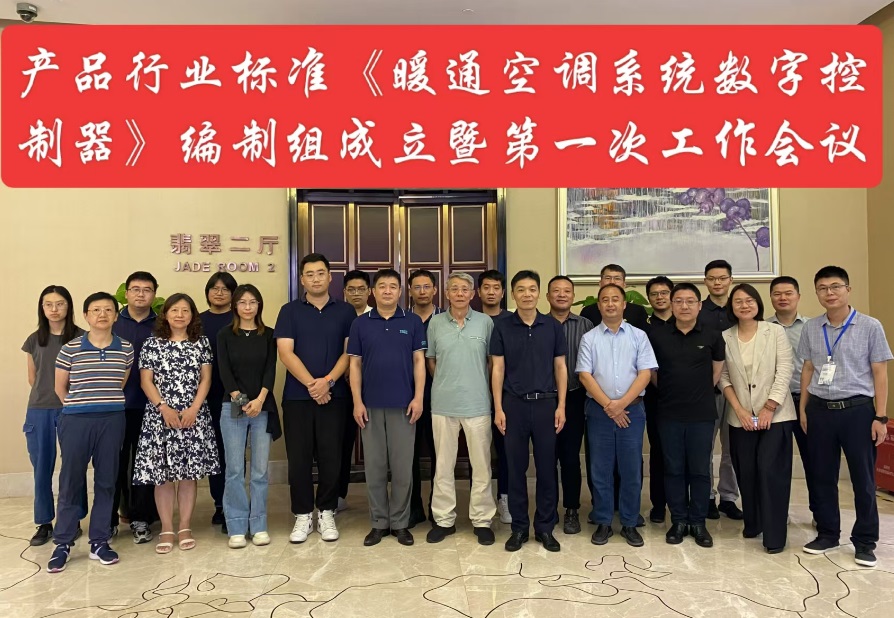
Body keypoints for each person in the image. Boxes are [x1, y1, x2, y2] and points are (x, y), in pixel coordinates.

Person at [799, 266, 892, 568]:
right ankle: (828, 534)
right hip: (820, 411)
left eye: (835, 286)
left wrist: (881, 416)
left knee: (863, 479)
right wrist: (803, 409)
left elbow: (880, 373)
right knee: (822, 475)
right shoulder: (812, 327)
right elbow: (809, 369)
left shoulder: (870, 326)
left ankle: (865, 541)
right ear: (817, 293)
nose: (830, 293)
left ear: (848, 290)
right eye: (823, 288)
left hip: (857, 412)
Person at [48, 292, 134, 573]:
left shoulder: (126, 349)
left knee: (107, 480)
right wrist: (78, 408)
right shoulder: (70, 348)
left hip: (112, 419)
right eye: (96, 310)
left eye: (108, 309)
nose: (102, 314)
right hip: (76, 421)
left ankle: (99, 541)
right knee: (71, 481)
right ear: (86, 315)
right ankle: (62, 543)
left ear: (115, 315)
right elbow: (60, 387)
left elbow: (120, 382)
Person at [275, 253, 355, 543]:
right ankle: (302, 514)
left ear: (330, 277)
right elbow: (285, 353)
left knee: (332, 456)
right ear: (302, 279)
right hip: (298, 397)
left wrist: (328, 382)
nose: (316, 278)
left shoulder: (345, 311)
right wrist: (313, 385)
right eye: (309, 274)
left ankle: (327, 512)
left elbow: (349, 353)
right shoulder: (289, 311)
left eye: (321, 273)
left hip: (336, 396)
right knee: (299, 458)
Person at [133, 293, 221, 555]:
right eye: (174, 310)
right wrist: (163, 407)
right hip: (160, 416)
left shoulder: (201, 342)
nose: (180, 315)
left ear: (193, 315)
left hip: (193, 415)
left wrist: (194, 408)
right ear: (166, 314)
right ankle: (167, 528)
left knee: (187, 475)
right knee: (162, 477)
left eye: (185, 310)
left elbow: (206, 379)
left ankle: (184, 527)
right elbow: (146, 381)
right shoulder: (152, 343)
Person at [491, 270, 567, 553]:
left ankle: (545, 527)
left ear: (539, 293)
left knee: (547, 468)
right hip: (514, 405)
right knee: (515, 468)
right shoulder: (502, 326)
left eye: (532, 289)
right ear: (513, 294)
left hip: (547, 404)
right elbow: (497, 369)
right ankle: (519, 528)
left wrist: (561, 405)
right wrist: (498, 407)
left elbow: (560, 367)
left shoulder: (552, 326)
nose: (527, 294)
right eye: (521, 290)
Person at [718, 284, 796, 553]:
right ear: (732, 306)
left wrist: (769, 407)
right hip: (739, 417)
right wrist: (739, 409)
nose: (744, 305)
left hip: (776, 416)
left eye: (749, 300)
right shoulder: (725, 336)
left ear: (758, 304)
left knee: (771, 472)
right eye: (738, 301)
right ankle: (754, 523)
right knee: (747, 472)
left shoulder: (774, 331)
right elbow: (723, 377)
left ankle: (775, 537)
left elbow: (785, 369)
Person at [578, 283, 657, 547]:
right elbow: (585, 375)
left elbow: (645, 373)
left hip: (632, 411)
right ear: (599, 305)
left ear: (624, 305)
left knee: (630, 469)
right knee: (600, 468)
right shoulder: (589, 338)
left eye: (615, 299)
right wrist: (610, 406)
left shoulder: (639, 336)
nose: (610, 304)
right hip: (599, 411)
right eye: (605, 299)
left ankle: (629, 522)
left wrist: (621, 404)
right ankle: (603, 521)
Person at [649, 283, 724, 549]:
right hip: (668, 412)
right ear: (671, 304)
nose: (684, 306)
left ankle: (698, 522)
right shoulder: (657, 336)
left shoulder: (713, 335)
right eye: (678, 301)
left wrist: (697, 392)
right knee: (673, 469)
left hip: (702, 414)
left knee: (700, 469)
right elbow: (653, 373)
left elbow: (716, 371)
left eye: (690, 301)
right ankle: (679, 520)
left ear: (699, 305)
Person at [425, 273, 497, 545]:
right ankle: (444, 520)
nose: (459, 293)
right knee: (443, 466)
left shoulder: (485, 322)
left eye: (464, 289)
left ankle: (482, 520)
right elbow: (431, 360)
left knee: (481, 466)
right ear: (446, 293)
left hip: (478, 404)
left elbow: (492, 362)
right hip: (443, 404)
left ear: (472, 294)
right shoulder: (435, 323)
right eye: (454, 289)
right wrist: (447, 382)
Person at [22, 285, 86, 546]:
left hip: (73, 408)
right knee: (41, 468)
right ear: (42, 308)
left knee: (73, 466)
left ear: (69, 306)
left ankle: (73, 520)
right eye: (48, 304)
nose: (54, 309)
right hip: (40, 410)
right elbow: (32, 377)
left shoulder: (82, 337)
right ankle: (44, 523)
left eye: (60, 304)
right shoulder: (34, 339)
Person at [218, 284, 281, 549]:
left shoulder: (269, 334)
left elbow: (270, 370)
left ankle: (258, 525)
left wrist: (259, 400)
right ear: (235, 305)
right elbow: (224, 371)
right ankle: (235, 525)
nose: (247, 307)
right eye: (242, 302)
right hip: (232, 407)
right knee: (234, 469)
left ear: (259, 305)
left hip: (262, 406)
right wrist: (243, 402)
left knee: (259, 470)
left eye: (252, 302)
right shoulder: (224, 334)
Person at [111, 271, 160, 543]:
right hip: (116, 406)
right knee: (114, 465)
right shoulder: (113, 321)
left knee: (145, 465)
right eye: (136, 289)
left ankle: (142, 518)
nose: (141, 294)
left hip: (151, 407)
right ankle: (110, 520)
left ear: (154, 294)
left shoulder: (162, 324)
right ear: (126, 292)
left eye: (147, 289)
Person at [546, 275, 594, 534]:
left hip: (576, 397)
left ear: (573, 297)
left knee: (570, 456)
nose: (562, 295)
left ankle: (572, 509)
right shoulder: (539, 323)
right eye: (556, 291)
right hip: (545, 398)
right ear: (548, 296)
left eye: (566, 291)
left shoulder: (586, 325)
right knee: (547, 456)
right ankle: (549, 508)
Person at [766, 276, 814, 520]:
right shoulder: (763, 328)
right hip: (776, 404)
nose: (783, 298)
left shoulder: (812, 327)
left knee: (814, 460)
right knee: (776, 463)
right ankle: (777, 515)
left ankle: (820, 513)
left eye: (788, 293)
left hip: (807, 401)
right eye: (777, 293)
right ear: (770, 297)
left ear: (798, 296)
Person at [698, 259, 743, 521]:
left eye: (722, 278)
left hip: (739, 390)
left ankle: (728, 497)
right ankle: (707, 497)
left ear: (730, 280)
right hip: (708, 390)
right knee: (705, 446)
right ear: (705, 281)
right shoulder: (697, 310)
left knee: (732, 446)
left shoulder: (740, 309)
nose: (717, 283)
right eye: (712, 278)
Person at [199, 272, 237, 531]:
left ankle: (234, 503)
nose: (219, 292)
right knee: (215, 452)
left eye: (225, 289)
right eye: (214, 288)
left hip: (234, 395)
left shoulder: (240, 318)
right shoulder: (197, 321)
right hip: (205, 396)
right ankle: (220, 505)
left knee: (233, 451)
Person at [408, 268, 445, 527]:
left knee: (439, 453)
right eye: (417, 287)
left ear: (435, 290)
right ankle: (413, 508)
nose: (422, 291)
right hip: (406, 396)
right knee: (408, 454)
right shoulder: (402, 319)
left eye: (426, 287)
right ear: (410, 291)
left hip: (440, 396)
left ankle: (437, 506)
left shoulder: (445, 319)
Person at [477, 269, 513, 524]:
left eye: (496, 288)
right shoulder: (470, 319)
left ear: (503, 292)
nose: (491, 292)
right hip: (476, 395)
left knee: (506, 450)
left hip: (507, 396)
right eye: (486, 287)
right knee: (477, 451)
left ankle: (505, 498)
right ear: (479, 292)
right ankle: (479, 502)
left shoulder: (511, 320)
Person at [338, 270, 372, 512]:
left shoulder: (377, 317)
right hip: (341, 388)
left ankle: (382, 500)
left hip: (372, 388)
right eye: (351, 289)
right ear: (344, 292)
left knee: (377, 445)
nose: (356, 293)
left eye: (361, 289)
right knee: (342, 442)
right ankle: (339, 494)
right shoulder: (339, 316)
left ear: (369, 291)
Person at [644, 275, 674, 523]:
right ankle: (658, 504)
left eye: (664, 293)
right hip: (654, 398)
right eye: (654, 294)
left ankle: (682, 504)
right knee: (658, 451)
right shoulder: (643, 328)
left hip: (686, 398)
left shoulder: (685, 322)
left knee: (682, 453)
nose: (660, 297)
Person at [579, 264, 649, 331]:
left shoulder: (638, 311)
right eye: (608, 278)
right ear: (600, 283)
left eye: (617, 278)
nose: (612, 282)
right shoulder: (588, 312)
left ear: (624, 285)